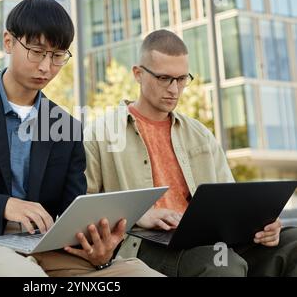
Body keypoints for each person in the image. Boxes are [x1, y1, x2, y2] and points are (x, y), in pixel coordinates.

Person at [0, 0, 161, 277]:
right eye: (36, 51)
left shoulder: (67, 127)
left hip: (44, 250)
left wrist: (99, 248)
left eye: (57, 55)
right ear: (9, 42)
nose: (46, 67)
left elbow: (74, 209)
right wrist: (3, 206)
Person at [84, 29, 297, 277]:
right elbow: (81, 208)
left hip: (211, 238)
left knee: (292, 242)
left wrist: (263, 225)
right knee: (221, 265)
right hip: (145, 245)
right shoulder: (101, 133)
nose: (174, 89)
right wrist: (139, 213)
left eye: (182, 79)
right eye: (164, 78)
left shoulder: (200, 134)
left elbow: (230, 199)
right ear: (138, 74)